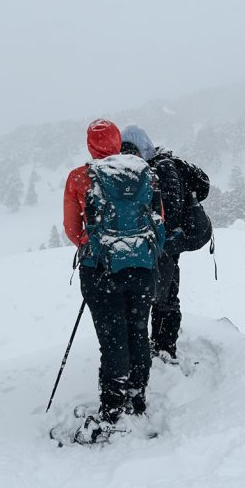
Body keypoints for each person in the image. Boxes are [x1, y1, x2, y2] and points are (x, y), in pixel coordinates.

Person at [63, 119, 163, 442]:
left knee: (113, 338)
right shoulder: (145, 172)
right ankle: (136, 397)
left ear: (91, 145)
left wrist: (95, 247)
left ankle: (112, 409)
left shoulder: (80, 177)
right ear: (118, 141)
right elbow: (158, 220)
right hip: (143, 268)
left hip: (101, 270)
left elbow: (72, 229)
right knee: (138, 331)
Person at [120, 124, 185, 362]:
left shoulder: (163, 167)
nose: (128, 156)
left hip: (167, 245)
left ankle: (165, 348)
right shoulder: (139, 170)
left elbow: (172, 208)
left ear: (143, 147)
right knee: (150, 296)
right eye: (124, 151)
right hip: (148, 246)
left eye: (132, 150)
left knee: (165, 298)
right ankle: (155, 345)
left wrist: (156, 231)